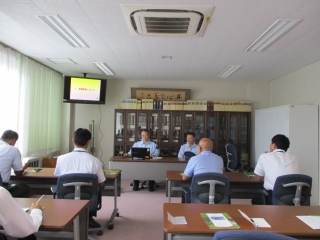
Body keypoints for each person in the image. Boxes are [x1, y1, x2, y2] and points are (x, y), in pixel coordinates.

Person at [54, 128, 106, 228]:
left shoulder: (61, 159)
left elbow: (59, 178)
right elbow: (101, 183)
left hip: (65, 197)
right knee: (100, 186)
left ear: (73, 140)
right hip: (88, 199)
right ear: (88, 142)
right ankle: (89, 217)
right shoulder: (95, 161)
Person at [252, 134, 299, 205]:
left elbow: (260, 178)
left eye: (271, 143)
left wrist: (265, 156)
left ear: (274, 145)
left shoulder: (264, 156)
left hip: (274, 196)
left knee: (255, 200)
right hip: (293, 196)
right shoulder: (293, 157)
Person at [0, 130, 30, 197]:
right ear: (13, 141)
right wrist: (24, 166)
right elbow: (18, 172)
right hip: (1, 188)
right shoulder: (12, 150)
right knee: (25, 188)